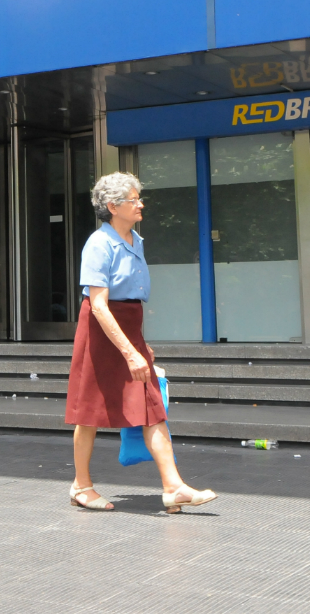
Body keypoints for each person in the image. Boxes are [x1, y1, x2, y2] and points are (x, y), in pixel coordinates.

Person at [66, 172, 217, 513]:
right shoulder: (99, 244)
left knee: (151, 407)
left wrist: (139, 344)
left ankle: (173, 486)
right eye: (133, 199)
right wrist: (129, 351)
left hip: (127, 326)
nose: (140, 204)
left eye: (138, 198)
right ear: (112, 206)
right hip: (101, 330)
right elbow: (99, 306)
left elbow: (130, 303)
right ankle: (81, 485)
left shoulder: (136, 239)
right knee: (89, 412)